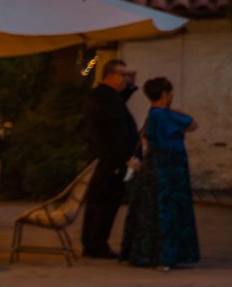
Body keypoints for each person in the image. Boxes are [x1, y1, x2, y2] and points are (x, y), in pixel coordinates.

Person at [123, 77, 201, 269]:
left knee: (151, 210)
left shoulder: (152, 115)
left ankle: (145, 253)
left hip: (153, 165)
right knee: (168, 210)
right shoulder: (166, 115)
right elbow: (192, 124)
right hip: (171, 167)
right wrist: (176, 113)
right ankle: (165, 256)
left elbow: (146, 140)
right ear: (165, 94)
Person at [80, 58, 141, 259]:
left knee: (103, 201)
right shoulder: (103, 98)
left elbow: (118, 104)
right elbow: (115, 132)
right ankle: (95, 244)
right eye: (122, 75)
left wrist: (130, 87)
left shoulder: (107, 96)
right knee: (104, 202)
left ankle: (94, 242)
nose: (125, 78)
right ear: (110, 75)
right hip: (108, 160)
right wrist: (126, 157)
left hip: (108, 159)